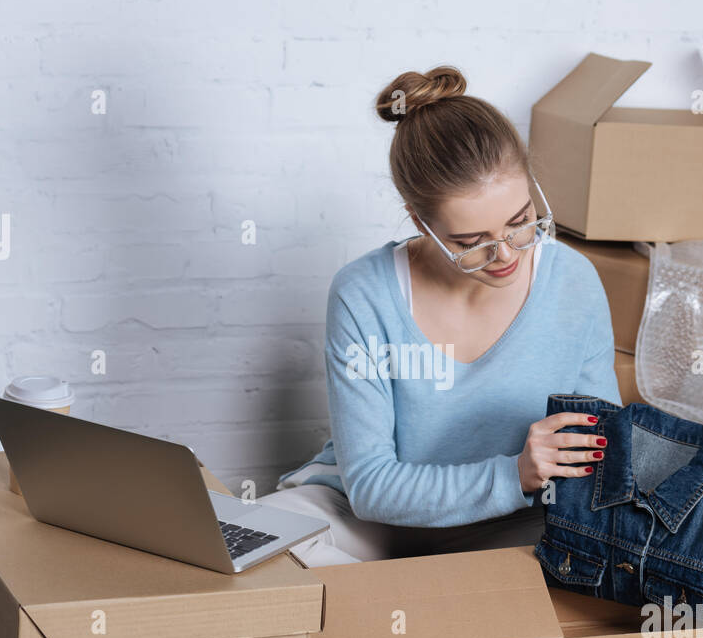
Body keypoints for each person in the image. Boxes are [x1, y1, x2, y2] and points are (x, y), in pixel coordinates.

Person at [261, 65, 621, 567]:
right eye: (470, 243)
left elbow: (602, 466)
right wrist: (513, 473)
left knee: (576, 568)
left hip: (512, 522)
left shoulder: (573, 282)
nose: (506, 255)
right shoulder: (363, 292)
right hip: (365, 520)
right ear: (419, 221)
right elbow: (369, 487)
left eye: (520, 222)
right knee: (252, 555)